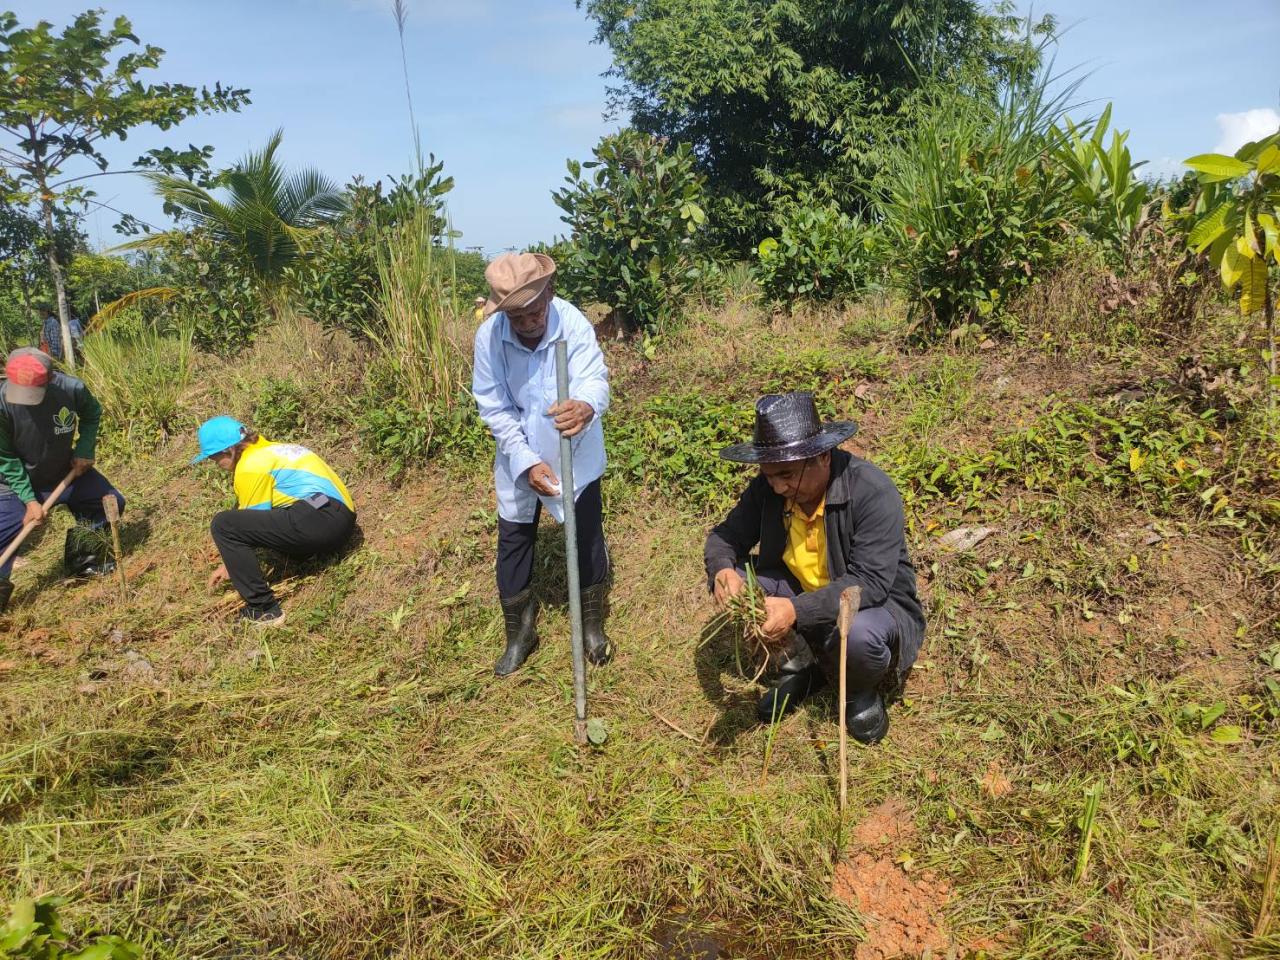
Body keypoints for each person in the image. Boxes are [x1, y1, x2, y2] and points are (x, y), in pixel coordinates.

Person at [704, 392, 925, 744]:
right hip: (800, 589)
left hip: (870, 604)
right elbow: (725, 537)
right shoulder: (770, 488)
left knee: (859, 635)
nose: (778, 486)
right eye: (769, 475)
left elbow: (869, 583)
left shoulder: (872, 491)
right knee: (744, 595)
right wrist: (722, 572)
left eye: (787, 474)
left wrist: (794, 610)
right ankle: (804, 665)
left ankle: (857, 691)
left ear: (823, 455)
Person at [472, 251, 613, 675]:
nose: (529, 323)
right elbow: (494, 406)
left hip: (576, 449)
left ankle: (592, 624)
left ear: (549, 293)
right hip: (518, 452)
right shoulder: (490, 337)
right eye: (517, 318)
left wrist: (586, 406)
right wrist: (526, 462)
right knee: (513, 539)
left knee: (586, 533)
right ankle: (520, 633)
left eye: (535, 312)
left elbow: (595, 378)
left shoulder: (572, 321)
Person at [192, 416, 356, 626]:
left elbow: (247, 522)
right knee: (274, 516)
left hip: (320, 520)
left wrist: (229, 566)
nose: (217, 465)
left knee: (223, 525)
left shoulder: (250, 466)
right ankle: (305, 558)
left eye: (214, 459)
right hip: (340, 519)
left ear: (228, 451)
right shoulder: (276, 450)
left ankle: (263, 609)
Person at [0, 348, 124, 613]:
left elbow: (92, 414)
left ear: (51, 378)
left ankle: (83, 559)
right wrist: (29, 500)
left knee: (107, 503)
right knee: (3, 530)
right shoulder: (1, 403)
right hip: (14, 483)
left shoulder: (72, 389)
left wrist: (85, 449)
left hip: (63, 472)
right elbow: (6, 457)